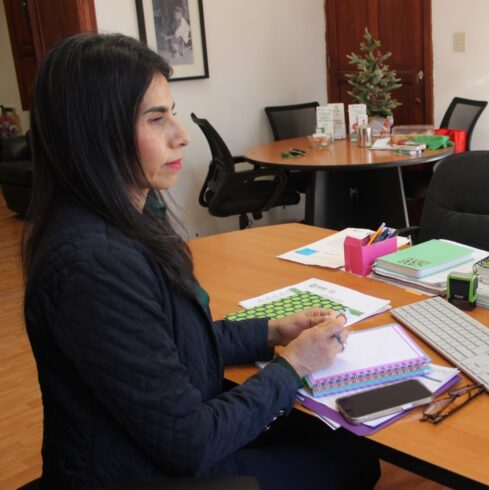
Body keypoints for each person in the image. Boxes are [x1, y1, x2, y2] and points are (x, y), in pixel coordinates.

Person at [23, 33, 379, 489]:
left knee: (342, 437)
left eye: (172, 113)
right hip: (146, 474)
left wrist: (273, 331)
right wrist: (295, 365)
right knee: (352, 461)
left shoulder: (124, 220)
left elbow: (170, 343)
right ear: (95, 133)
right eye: (157, 119)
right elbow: (191, 442)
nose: (182, 135)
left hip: (160, 447)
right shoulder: (93, 265)